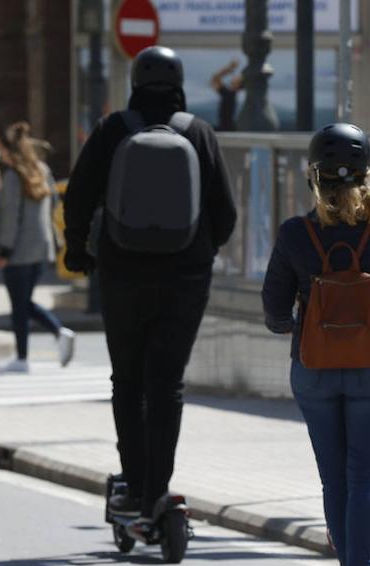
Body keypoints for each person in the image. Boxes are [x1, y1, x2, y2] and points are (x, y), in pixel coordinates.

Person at [64, 46, 237, 525]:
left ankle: (134, 486)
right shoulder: (199, 132)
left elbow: (78, 195)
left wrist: (78, 251)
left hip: (122, 274)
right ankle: (158, 491)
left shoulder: (113, 130)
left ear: (135, 83)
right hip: (186, 278)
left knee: (128, 380)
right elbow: (226, 213)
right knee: (167, 383)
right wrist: (201, 251)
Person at [261, 123, 370, 566]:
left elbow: (272, 313)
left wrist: (308, 325)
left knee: (334, 478)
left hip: (312, 371)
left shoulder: (295, 233)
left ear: (314, 177)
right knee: (365, 477)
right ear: (367, 174)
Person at [0, 121, 75, 374]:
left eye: (1, 149)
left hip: (18, 248)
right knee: (24, 302)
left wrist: (4, 250)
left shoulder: (12, 176)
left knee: (19, 305)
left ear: (9, 150)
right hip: (41, 245)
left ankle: (23, 356)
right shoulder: (42, 169)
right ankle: (57, 334)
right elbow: (52, 207)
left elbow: (10, 216)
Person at [209, 58, 244, 132]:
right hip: (228, 128)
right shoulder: (231, 94)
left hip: (224, 129)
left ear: (238, 84)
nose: (236, 77)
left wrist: (230, 68)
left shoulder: (229, 94)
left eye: (238, 78)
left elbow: (215, 78)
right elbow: (214, 79)